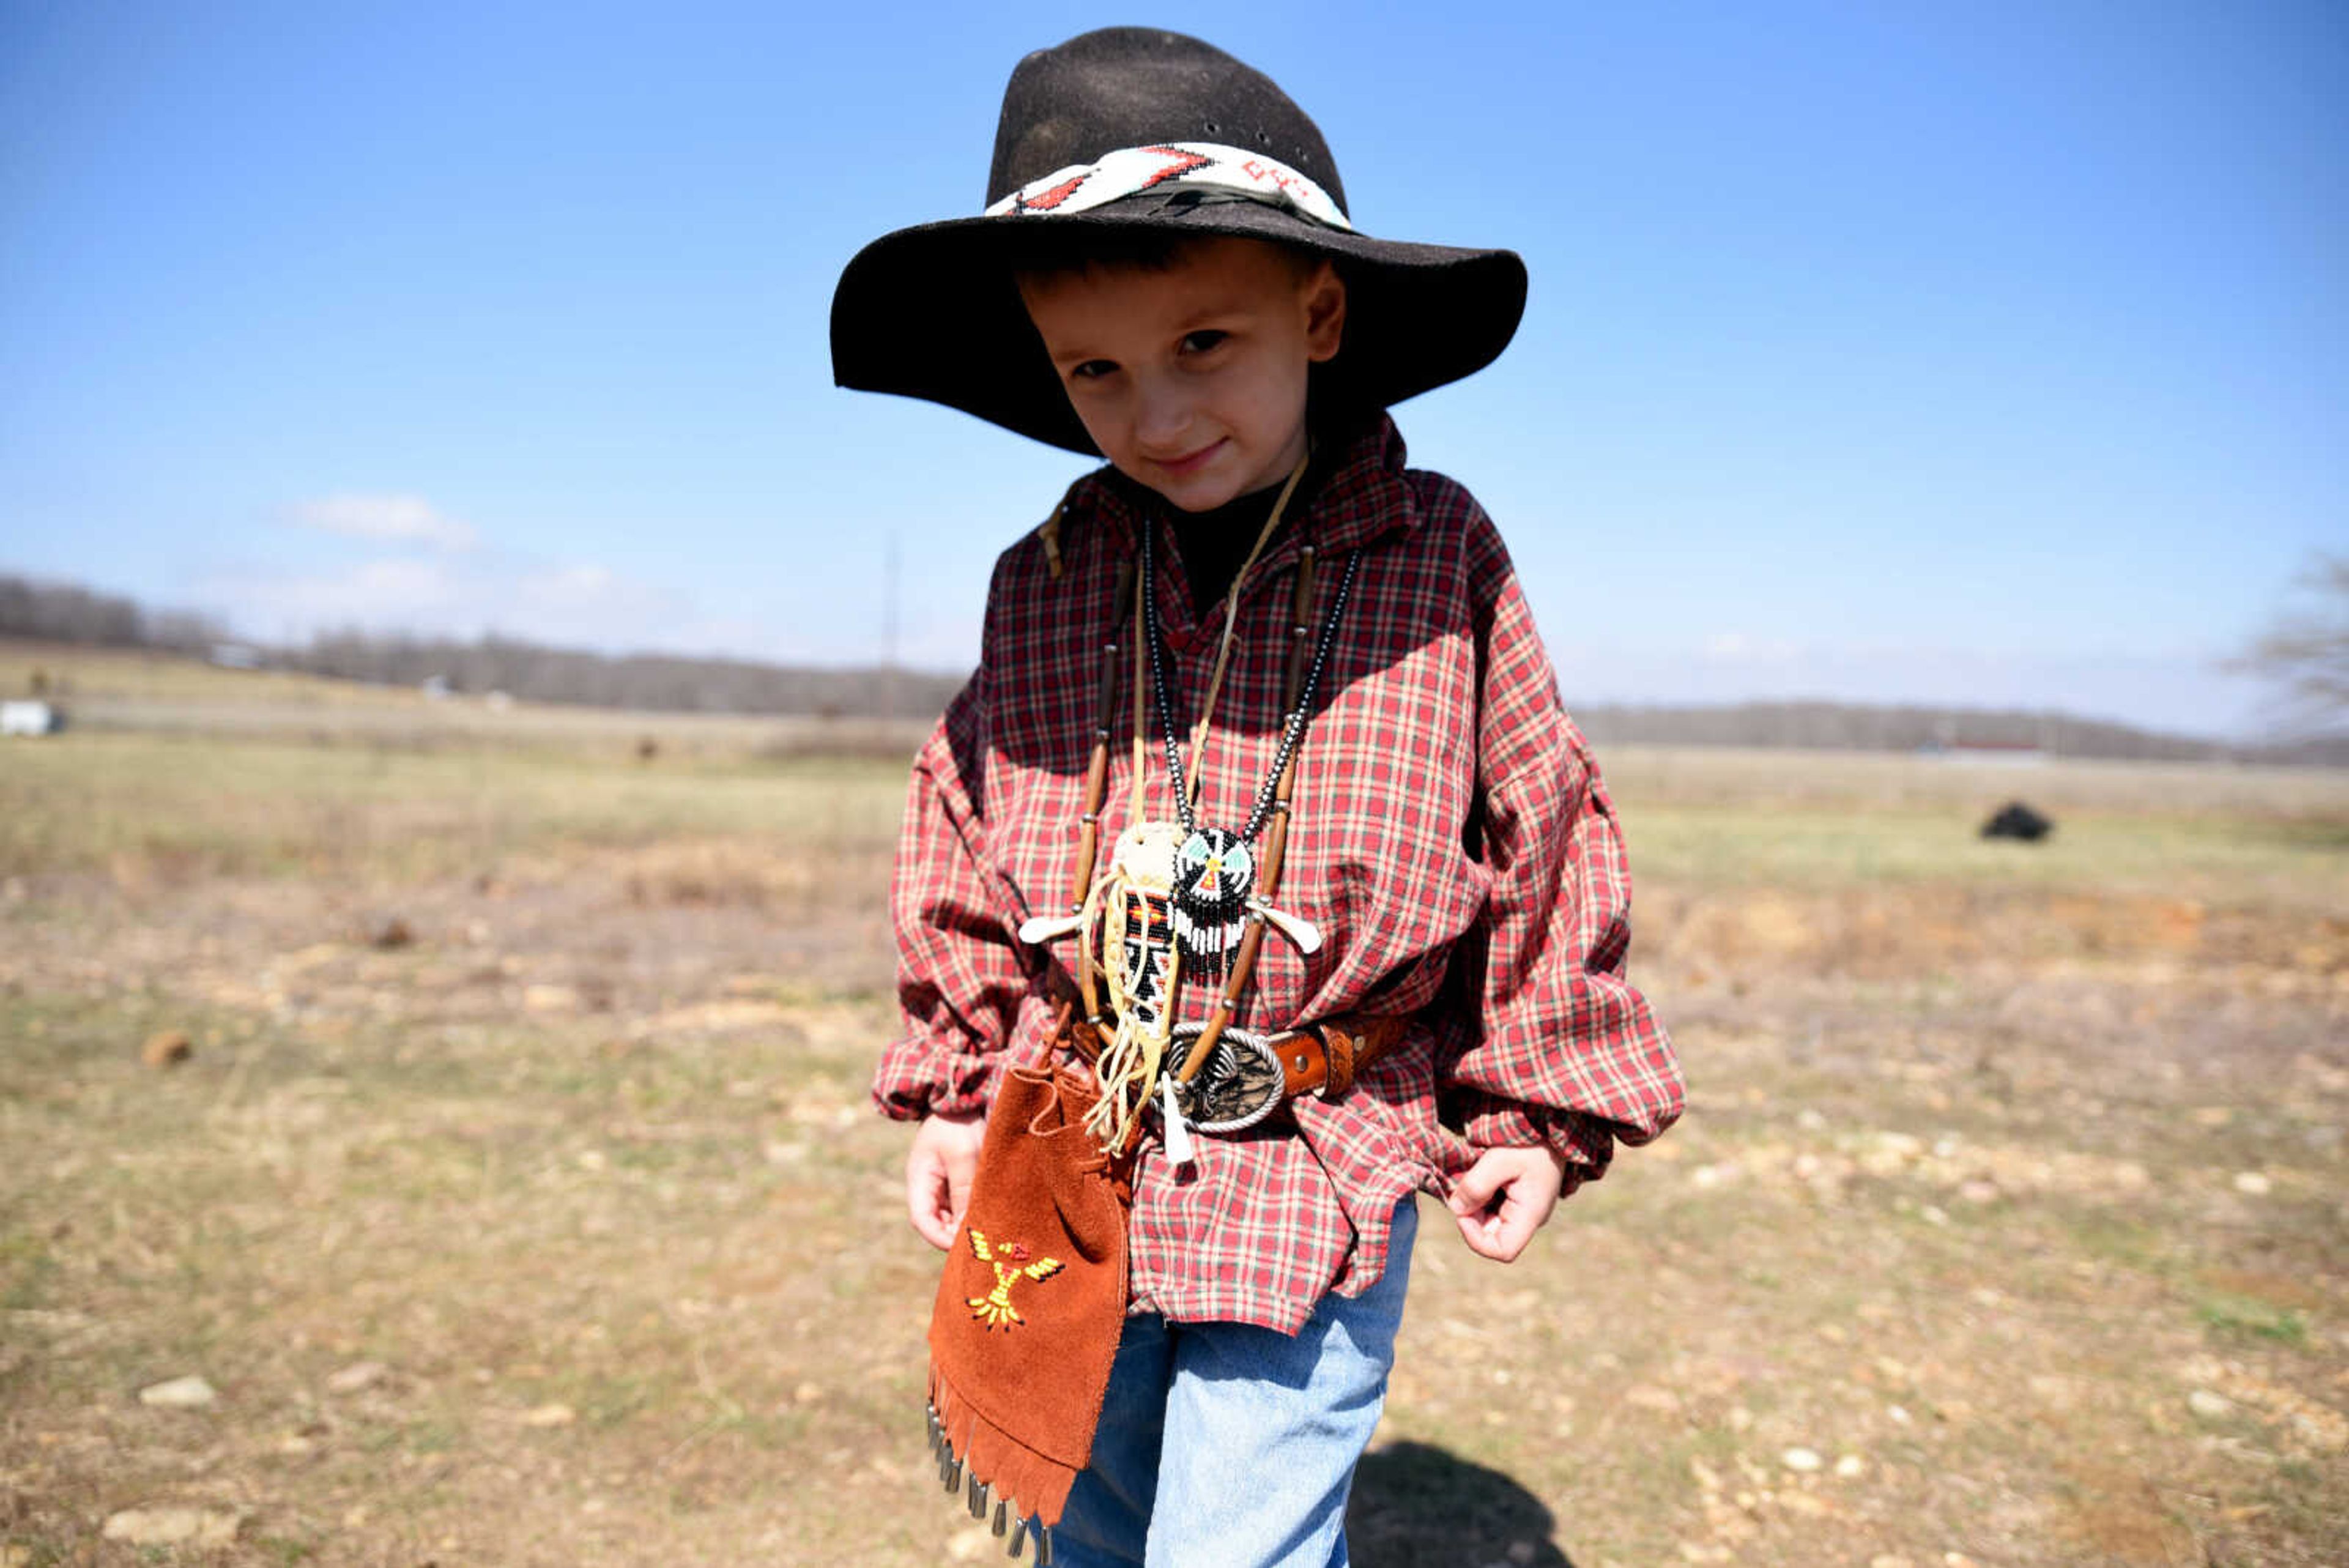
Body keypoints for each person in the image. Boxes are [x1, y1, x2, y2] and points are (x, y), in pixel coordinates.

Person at [831, 27, 1683, 1568]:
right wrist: (959, 1085)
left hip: (1320, 1137)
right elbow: (962, 816)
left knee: (1239, 1551)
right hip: (1072, 1138)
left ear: (1322, 309)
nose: (1154, 414)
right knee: (1091, 1525)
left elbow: (1542, 817)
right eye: (1098, 368)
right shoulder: (1048, 579)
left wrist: (1540, 1111)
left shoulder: (1436, 559)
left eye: (1203, 345)